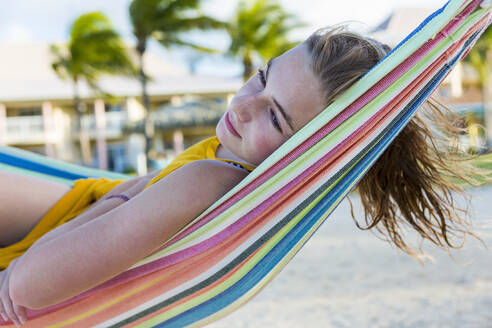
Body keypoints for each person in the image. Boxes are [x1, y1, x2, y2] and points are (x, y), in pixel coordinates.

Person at [0, 26, 484, 326]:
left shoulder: (211, 179)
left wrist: (120, 200)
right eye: (261, 76)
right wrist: (126, 194)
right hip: (82, 202)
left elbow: (25, 289)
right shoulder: (229, 155)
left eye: (275, 118)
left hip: (66, 222)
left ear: (307, 154)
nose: (245, 104)